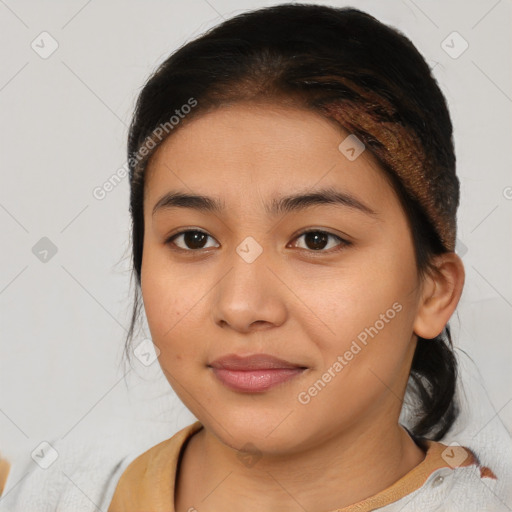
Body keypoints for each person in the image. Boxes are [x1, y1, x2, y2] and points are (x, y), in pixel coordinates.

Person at [0, 3, 508, 511]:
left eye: (316, 240)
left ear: (432, 291)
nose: (242, 306)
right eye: (194, 239)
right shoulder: (36, 494)